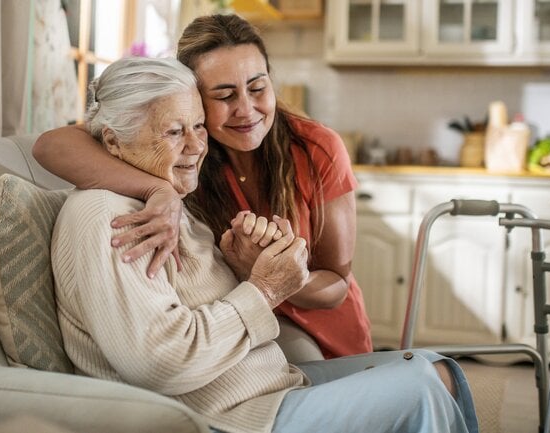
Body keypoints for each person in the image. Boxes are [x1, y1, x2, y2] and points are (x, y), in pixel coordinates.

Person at [51, 55, 478, 433]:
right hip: (235, 417)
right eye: (174, 132)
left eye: (198, 126)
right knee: (419, 388)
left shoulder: (163, 197)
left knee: (435, 368)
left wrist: (243, 267)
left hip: (268, 388)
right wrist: (264, 288)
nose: (197, 145)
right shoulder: (114, 220)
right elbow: (162, 360)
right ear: (111, 141)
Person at [34, 13, 371, 359]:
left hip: (328, 333)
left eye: (258, 88)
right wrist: (158, 191)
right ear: (194, 97)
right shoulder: (188, 156)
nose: (246, 110)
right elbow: (51, 145)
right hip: (244, 331)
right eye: (224, 95)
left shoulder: (316, 148)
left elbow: (337, 285)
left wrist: (280, 276)